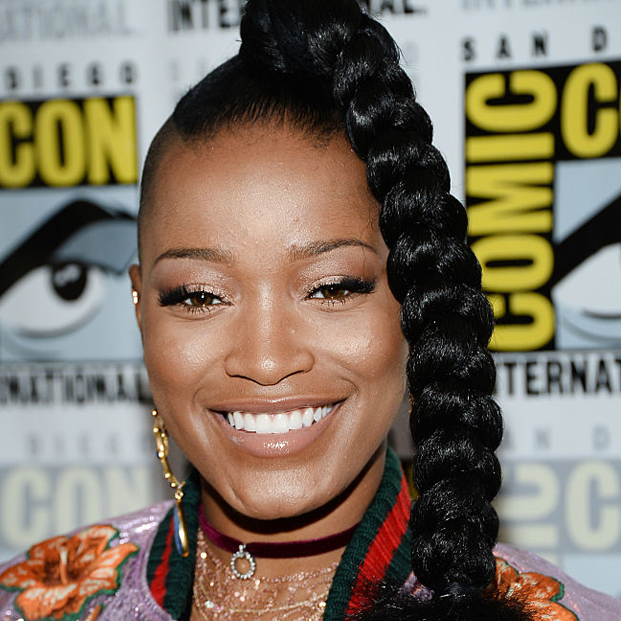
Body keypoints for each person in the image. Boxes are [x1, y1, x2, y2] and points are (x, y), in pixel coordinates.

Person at [1, 1, 620, 620]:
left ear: (414, 302)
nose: (266, 360)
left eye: (331, 288)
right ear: (141, 309)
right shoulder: (31, 604)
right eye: (199, 295)